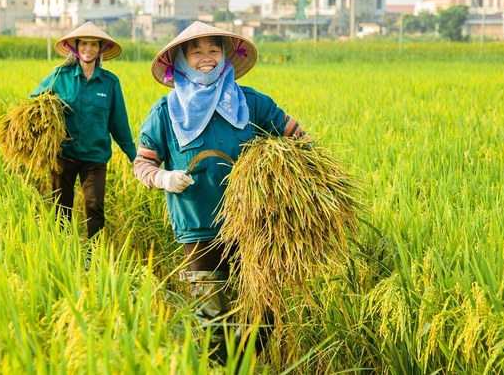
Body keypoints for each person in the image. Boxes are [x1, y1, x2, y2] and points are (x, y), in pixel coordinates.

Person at [133, 21, 307, 363]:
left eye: (214, 49)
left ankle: (240, 365)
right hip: (198, 229)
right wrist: (164, 178)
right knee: (212, 319)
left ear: (226, 55)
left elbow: (298, 140)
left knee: (264, 313)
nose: (206, 58)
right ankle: (221, 366)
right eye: (196, 51)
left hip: (254, 226)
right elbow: (143, 164)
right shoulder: (166, 112)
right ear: (181, 59)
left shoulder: (252, 103)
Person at [31, 22, 137, 240]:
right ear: (75, 47)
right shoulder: (60, 76)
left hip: (95, 158)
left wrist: (136, 158)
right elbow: (34, 104)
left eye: (94, 45)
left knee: (95, 206)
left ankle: (93, 257)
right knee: (61, 208)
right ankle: (61, 252)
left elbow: (119, 124)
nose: (88, 48)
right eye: (84, 44)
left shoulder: (109, 83)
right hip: (63, 156)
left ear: (101, 49)